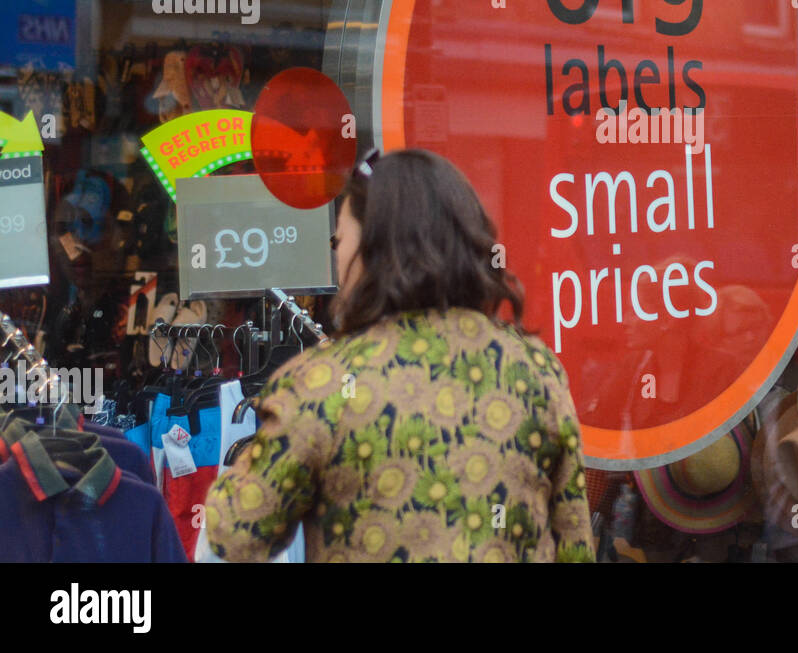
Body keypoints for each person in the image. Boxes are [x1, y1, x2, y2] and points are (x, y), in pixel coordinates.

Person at [204, 148, 595, 562]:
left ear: (374, 248)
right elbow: (575, 545)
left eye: (339, 239)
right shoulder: (536, 370)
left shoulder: (324, 381)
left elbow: (235, 532)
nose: (336, 257)